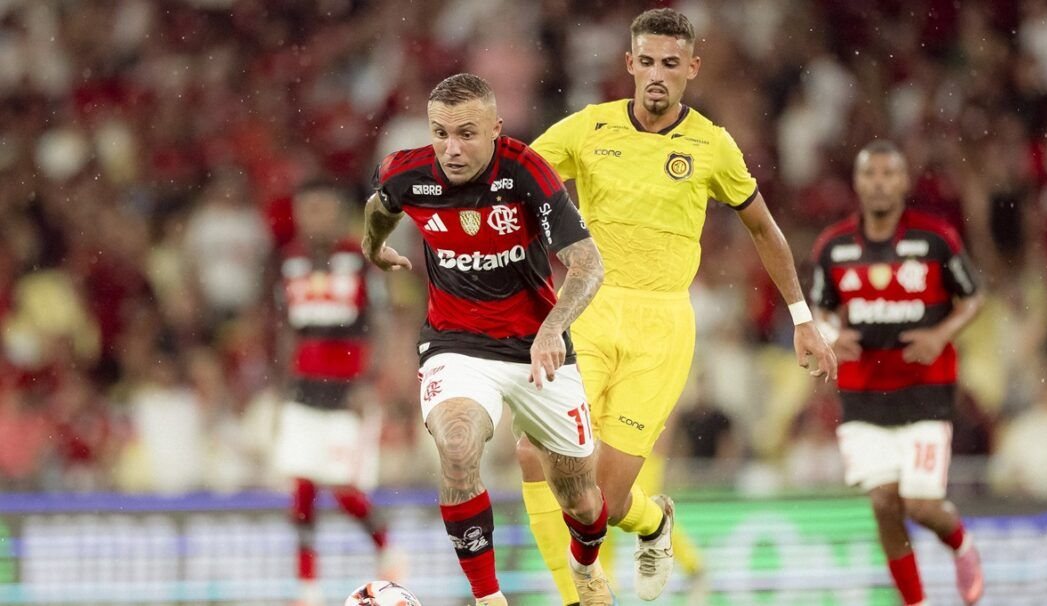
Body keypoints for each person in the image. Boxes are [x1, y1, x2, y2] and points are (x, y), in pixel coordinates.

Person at [518, 8, 837, 602]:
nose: (657, 75)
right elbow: (518, 177)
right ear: (630, 65)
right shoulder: (588, 128)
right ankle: (573, 597)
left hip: (662, 324)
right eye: (647, 62)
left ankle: (653, 521)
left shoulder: (713, 146)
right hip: (586, 308)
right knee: (536, 454)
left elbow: (765, 231)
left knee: (605, 504)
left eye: (671, 63)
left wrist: (802, 320)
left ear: (692, 68)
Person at [362, 73, 615, 606]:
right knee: (456, 447)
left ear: (496, 130)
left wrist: (552, 328)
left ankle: (585, 563)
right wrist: (373, 247)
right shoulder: (411, 173)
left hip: (538, 348)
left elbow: (589, 264)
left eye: (467, 133)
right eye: (440, 133)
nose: (451, 149)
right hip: (456, 345)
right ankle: (487, 596)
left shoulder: (525, 172)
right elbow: (379, 207)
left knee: (582, 500)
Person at [811, 140, 985, 606]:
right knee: (884, 503)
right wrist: (830, 332)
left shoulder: (936, 239)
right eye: (871, 174)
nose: (880, 183)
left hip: (925, 389)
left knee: (921, 505)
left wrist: (940, 335)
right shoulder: (834, 246)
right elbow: (820, 309)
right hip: (863, 392)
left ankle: (961, 544)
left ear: (905, 182)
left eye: (890, 174)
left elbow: (973, 297)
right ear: (858, 182)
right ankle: (916, 601)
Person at [273, 181, 400, 606]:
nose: (315, 218)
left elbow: (381, 323)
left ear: (340, 213)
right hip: (303, 391)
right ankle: (307, 588)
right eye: (308, 210)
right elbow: (286, 329)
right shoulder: (289, 262)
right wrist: (282, 388)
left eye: (324, 209)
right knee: (302, 489)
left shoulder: (360, 258)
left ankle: (388, 548)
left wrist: (371, 382)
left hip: (349, 392)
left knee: (344, 487)